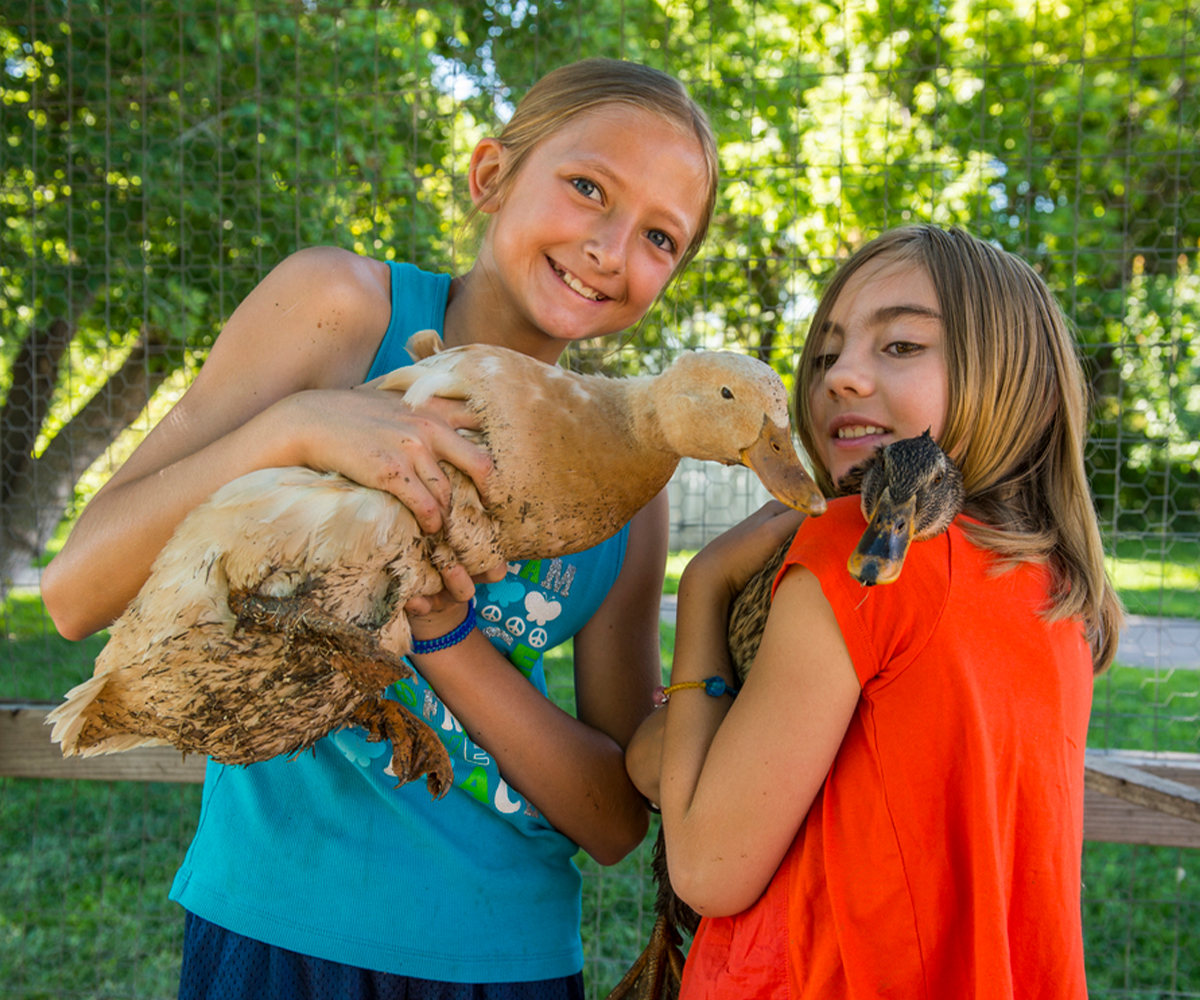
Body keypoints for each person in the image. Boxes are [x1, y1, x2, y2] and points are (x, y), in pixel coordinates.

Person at [41, 58, 719, 999]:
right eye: (587, 187)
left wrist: (441, 634)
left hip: (511, 959)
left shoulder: (632, 492)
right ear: (490, 176)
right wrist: (302, 425)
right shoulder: (344, 309)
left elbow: (612, 824)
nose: (611, 246)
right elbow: (74, 592)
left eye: (660, 237)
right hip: (279, 927)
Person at [625, 225, 1123, 999]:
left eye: (899, 346)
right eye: (825, 354)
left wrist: (705, 588)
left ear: (1015, 380)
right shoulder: (1055, 590)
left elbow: (706, 868)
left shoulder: (860, 550)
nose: (841, 378)